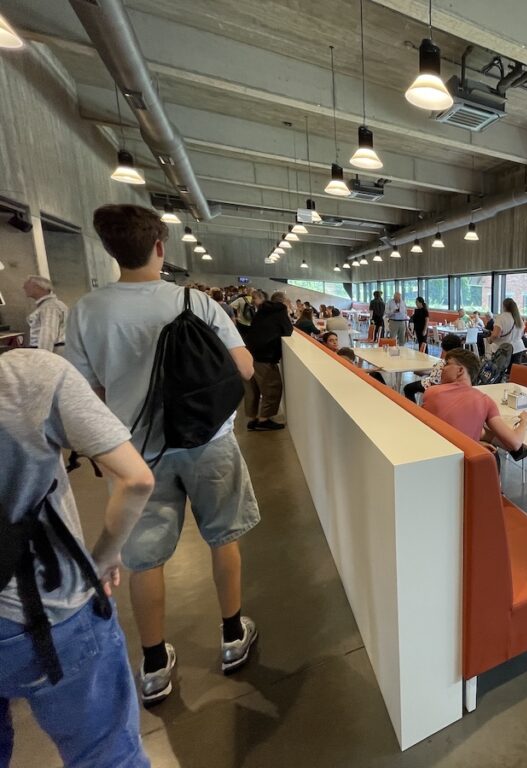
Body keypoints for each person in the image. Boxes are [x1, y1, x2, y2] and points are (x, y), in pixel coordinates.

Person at [64, 204, 260, 707]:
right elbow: (243, 368)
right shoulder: (195, 302)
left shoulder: (87, 310)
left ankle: (153, 664)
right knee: (223, 537)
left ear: (110, 249)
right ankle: (232, 634)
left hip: (135, 452)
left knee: (144, 558)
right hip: (209, 440)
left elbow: (83, 393)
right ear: (159, 246)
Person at [1, 350, 155, 767]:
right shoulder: (27, 373)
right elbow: (136, 479)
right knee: (106, 755)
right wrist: (103, 558)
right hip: (46, 609)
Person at [421, 349, 527, 454]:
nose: (442, 368)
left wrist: (475, 441)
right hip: (464, 461)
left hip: (431, 454)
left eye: (447, 364)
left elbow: (443, 432)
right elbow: (515, 443)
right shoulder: (486, 402)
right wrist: (525, 421)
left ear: (460, 370)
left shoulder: (432, 392)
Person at [244, 290, 292, 431]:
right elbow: (288, 331)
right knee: (272, 387)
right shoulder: (280, 311)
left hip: (249, 352)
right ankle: (264, 420)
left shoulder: (262, 310)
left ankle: (252, 418)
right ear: (284, 302)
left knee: (252, 389)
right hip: (264, 355)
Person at [403, 333, 463, 401]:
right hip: (449, 389)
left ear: (443, 347)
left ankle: (412, 406)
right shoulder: (461, 363)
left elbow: (433, 381)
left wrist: (426, 374)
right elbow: (438, 373)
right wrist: (427, 373)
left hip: (433, 387)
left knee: (407, 388)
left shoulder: (443, 363)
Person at [22, 275, 68, 353]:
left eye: (27, 286)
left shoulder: (50, 307)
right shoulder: (48, 305)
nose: (23, 287)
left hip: (53, 351)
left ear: (39, 287)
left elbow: (48, 335)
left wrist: (42, 356)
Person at [491, 298, 527, 363]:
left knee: (499, 369)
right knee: (514, 369)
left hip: (502, 350)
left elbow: (496, 335)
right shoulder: (519, 318)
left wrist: (490, 340)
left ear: (504, 306)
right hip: (518, 348)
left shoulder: (501, 318)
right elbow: (522, 334)